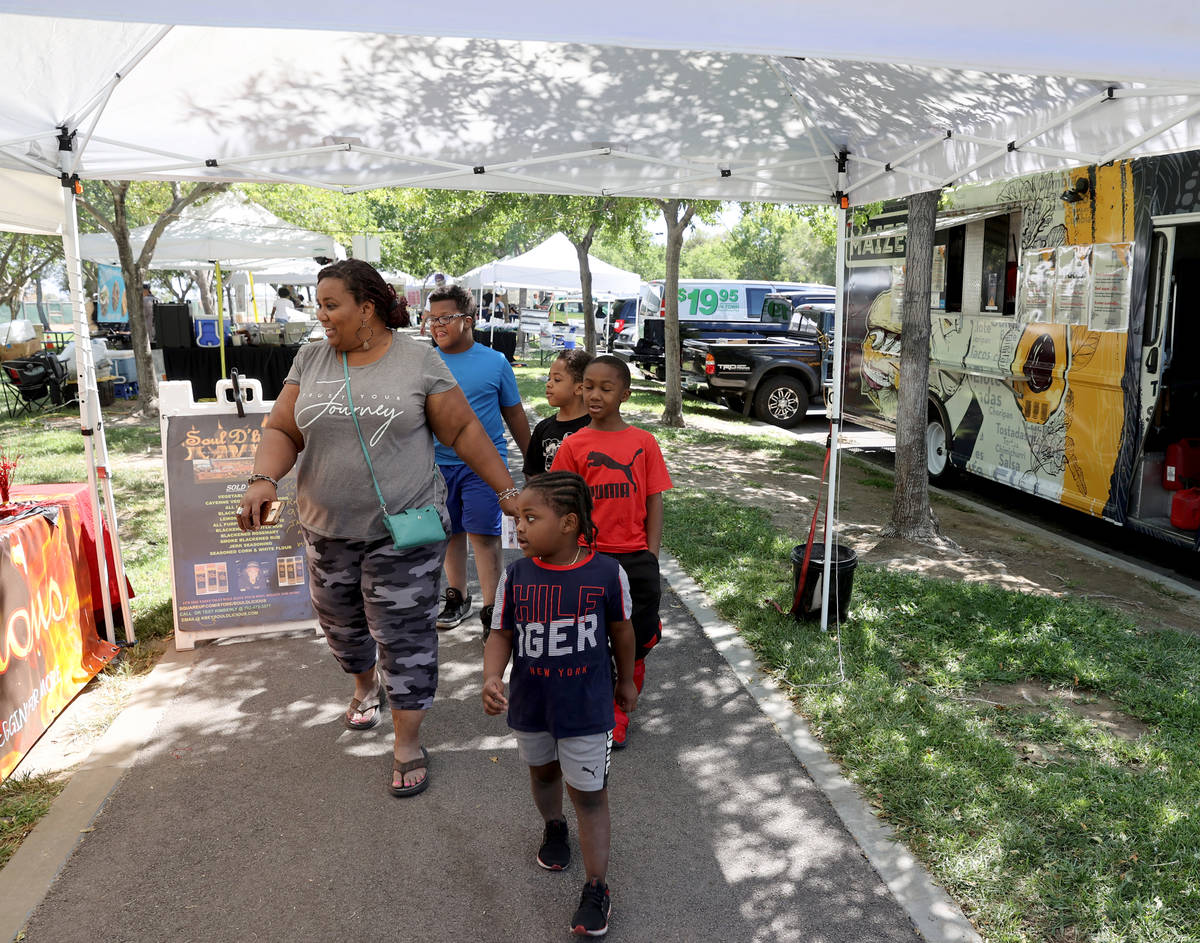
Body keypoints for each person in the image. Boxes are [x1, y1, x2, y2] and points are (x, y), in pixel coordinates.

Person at [237, 259, 520, 798]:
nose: (320, 316)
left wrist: (506, 490)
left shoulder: (418, 359)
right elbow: (282, 428)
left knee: (405, 633)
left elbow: (463, 430)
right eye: (317, 304)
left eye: (330, 305)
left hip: (405, 528)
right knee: (341, 625)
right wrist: (262, 478)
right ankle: (366, 687)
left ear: (366, 308)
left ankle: (407, 741)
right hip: (325, 527)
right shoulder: (311, 356)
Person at [482, 472, 636, 938]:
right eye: (518, 519)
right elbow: (501, 633)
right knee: (543, 773)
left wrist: (626, 680)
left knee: (589, 796)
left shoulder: (606, 574)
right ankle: (553, 827)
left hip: (587, 711)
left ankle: (596, 887)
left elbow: (622, 631)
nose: (520, 528)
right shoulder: (517, 576)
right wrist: (492, 675)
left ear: (569, 523)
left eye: (532, 518)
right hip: (533, 707)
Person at [550, 355, 672, 750]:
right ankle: (604, 713)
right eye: (587, 386)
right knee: (591, 640)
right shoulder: (573, 446)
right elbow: (560, 507)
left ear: (625, 394)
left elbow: (654, 500)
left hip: (635, 558)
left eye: (606, 388)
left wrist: (650, 554)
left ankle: (623, 701)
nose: (594, 394)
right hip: (589, 560)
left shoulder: (644, 442)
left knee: (635, 641)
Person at [427, 283, 531, 635]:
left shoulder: (495, 362)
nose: (436, 325)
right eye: (431, 318)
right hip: (437, 466)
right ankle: (457, 596)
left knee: (484, 536)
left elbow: (514, 415)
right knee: (448, 534)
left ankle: (493, 608)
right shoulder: (426, 362)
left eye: (445, 318)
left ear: (468, 320)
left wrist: (531, 460)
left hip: (484, 468)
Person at [523, 348, 592, 478]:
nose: (548, 384)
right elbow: (532, 474)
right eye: (549, 378)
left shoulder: (595, 427)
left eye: (557, 380)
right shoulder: (543, 429)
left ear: (579, 388)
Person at [141, 283, 156, 347]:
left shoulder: (144, 300)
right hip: (157, 335)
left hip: (148, 336)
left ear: (145, 290)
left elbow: (142, 316)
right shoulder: (157, 299)